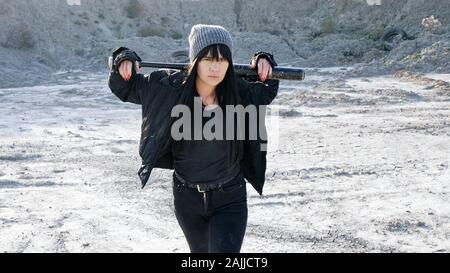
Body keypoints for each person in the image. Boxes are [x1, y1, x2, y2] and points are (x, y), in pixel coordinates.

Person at [108, 24, 279, 253]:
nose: (215, 67)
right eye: (208, 58)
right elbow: (124, 87)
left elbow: (266, 89)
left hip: (230, 197)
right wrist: (124, 58)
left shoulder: (237, 90)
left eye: (222, 60)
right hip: (187, 198)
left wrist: (263, 59)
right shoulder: (168, 88)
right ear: (195, 60)